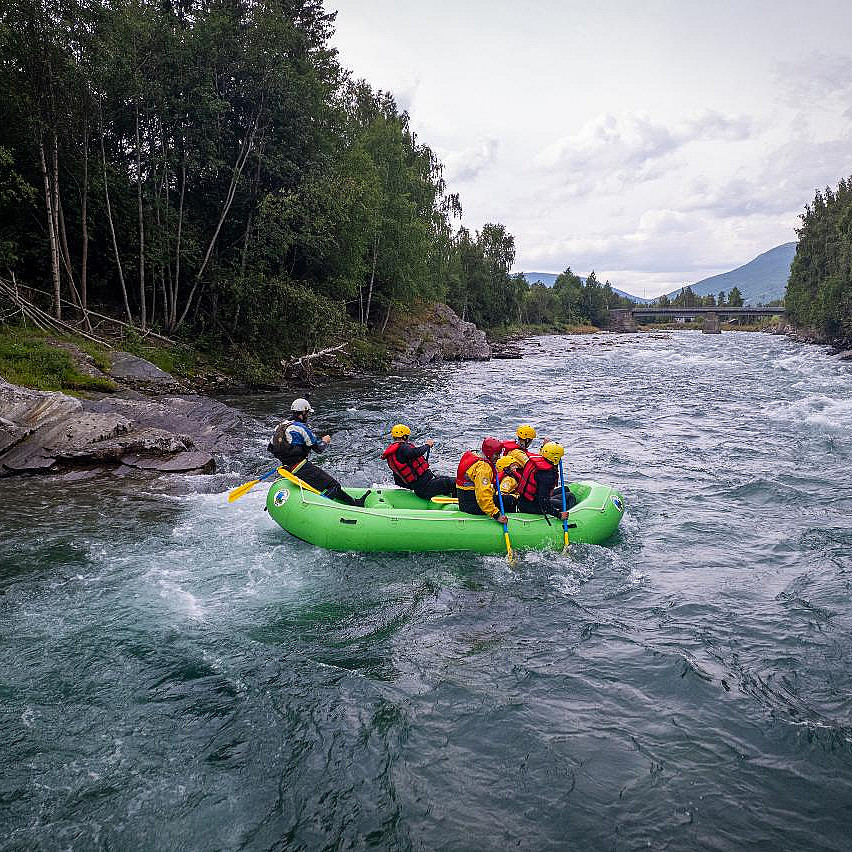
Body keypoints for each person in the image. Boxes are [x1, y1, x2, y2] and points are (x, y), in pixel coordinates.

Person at [268, 398, 369, 507]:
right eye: (307, 413)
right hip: (301, 468)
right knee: (334, 486)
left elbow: (270, 448)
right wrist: (325, 441)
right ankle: (322, 506)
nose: (308, 416)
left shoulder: (279, 426)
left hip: (286, 469)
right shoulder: (301, 428)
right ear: (303, 412)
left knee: (324, 484)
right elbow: (319, 449)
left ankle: (354, 502)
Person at [381, 424, 456, 500]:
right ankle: (459, 503)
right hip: (424, 488)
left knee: (444, 478)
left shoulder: (395, 451)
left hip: (422, 485)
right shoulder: (403, 449)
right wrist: (427, 445)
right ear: (404, 437)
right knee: (454, 482)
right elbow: (416, 452)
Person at [456, 437, 516, 523]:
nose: (498, 457)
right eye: (496, 454)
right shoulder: (483, 468)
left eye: (499, 454)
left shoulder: (473, 455)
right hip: (472, 505)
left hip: (464, 499)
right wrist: (496, 515)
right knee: (510, 500)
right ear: (489, 453)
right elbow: (483, 496)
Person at [515, 441, 576, 520]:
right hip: (533, 506)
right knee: (570, 497)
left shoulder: (538, 462)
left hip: (527, 500)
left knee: (565, 489)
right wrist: (559, 515)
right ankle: (571, 516)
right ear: (555, 458)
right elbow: (544, 502)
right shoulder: (547, 475)